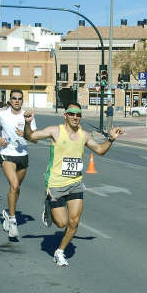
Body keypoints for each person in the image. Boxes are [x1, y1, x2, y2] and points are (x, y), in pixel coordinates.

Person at [23, 102, 124, 266]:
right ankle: (49, 206)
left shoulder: (84, 135)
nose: (75, 117)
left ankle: (60, 251)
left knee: (74, 222)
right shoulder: (55, 131)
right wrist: (28, 123)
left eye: (78, 114)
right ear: (65, 115)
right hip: (56, 184)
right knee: (62, 223)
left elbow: (100, 150)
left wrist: (111, 139)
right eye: (71, 113)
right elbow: (30, 137)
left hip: (75, 183)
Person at [0, 90, 36, 239]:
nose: (17, 101)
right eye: (14, 98)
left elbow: (35, 139)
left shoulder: (27, 117)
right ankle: (12, 220)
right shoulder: (2, 115)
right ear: (10, 100)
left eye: (20, 99)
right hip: (7, 154)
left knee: (16, 189)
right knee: (14, 185)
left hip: (23, 156)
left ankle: (8, 212)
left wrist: (26, 134)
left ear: (23, 100)